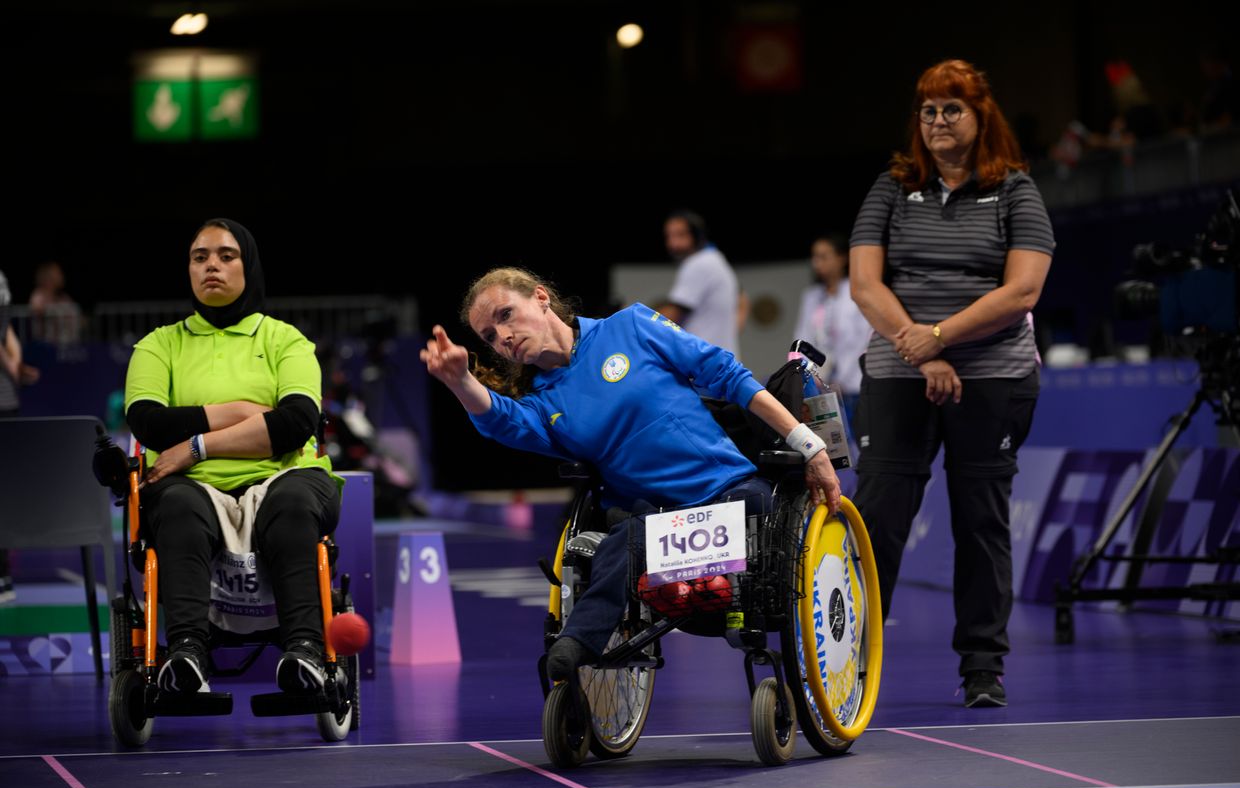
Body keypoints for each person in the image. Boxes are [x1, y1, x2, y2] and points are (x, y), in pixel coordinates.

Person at [421, 267, 840, 679]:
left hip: (727, 491)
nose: (503, 337)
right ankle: (577, 642)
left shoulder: (632, 326)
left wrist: (808, 444)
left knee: (755, 511)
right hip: (652, 518)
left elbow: (728, 375)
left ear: (541, 297)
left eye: (505, 315)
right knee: (623, 542)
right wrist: (460, 382)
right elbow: (501, 418)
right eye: (489, 337)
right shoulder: (543, 404)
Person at [848, 59, 1054, 708]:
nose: (937, 121)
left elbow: (1022, 289)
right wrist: (920, 347)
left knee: (981, 520)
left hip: (992, 375)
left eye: (951, 109)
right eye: (928, 110)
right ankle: (847, 657)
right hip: (899, 371)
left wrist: (939, 338)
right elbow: (865, 283)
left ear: (979, 116)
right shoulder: (892, 187)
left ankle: (983, 669)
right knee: (878, 517)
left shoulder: (1016, 191)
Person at [123, 218, 342, 695]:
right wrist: (242, 412)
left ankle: (304, 651)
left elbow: (295, 425)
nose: (212, 267)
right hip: (192, 489)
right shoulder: (158, 344)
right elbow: (150, 423)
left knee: (294, 503)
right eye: (200, 257)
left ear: (249, 265)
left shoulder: (286, 341)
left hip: (284, 479)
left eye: (226, 255)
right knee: (175, 504)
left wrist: (197, 444)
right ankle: (186, 653)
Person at [791, 232, 872, 422]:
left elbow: (863, 339)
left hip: (855, 383)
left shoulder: (858, 292)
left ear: (842, 258)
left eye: (824, 257)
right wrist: (812, 377)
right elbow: (803, 340)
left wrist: (845, 377)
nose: (817, 263)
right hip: (821, 386)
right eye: (815, 257)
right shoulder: (812, 297)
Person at [0, 269, 41, 603]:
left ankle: (2, 575)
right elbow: (6, 328)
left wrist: (12, 364)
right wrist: (13, 363)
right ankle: (3, 577)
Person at [657, 209, 742, 357]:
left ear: (696, 235)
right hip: (723, 360)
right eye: (669, 236)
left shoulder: (697, 264)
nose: (673, 244)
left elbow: (671, 315)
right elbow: (743, 300)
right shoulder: (716, 258)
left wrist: (636, 323)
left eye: (680, 235)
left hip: (705, 365)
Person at [28, 260, 84, 347]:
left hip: (66, 344)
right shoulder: (38, 295)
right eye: (58, 273)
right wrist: (52, 311)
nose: (61, 276)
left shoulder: (63, 297)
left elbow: (74, 313)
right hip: (44, 344)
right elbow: (37, 309)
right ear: (48, 276)